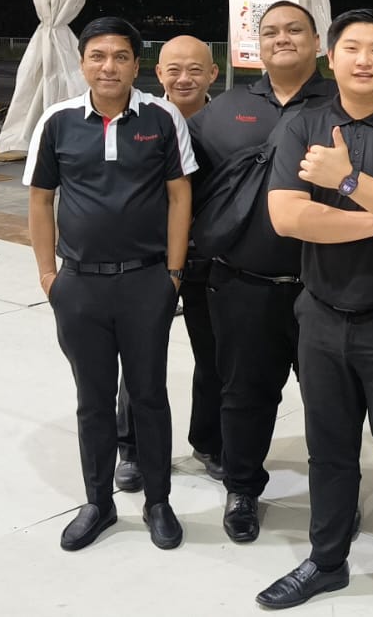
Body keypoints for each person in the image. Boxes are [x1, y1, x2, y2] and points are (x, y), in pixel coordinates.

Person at [257, 8, 373, 617]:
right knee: (329, 449)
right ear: (331, 56)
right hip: (319, 315)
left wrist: (346, 181)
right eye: (352, 48)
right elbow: (287, 216)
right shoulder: (303, 124)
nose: (363, 60)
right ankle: (326, 560)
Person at [24, 16, 197, 552]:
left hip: (146, 282)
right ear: (82, 63)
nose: (109, 67)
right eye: (97, 56)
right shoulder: (57, 121)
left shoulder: (162, 118)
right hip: (79, 286)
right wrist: (49, 275)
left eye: (121, 56)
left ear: (136, 65)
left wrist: (173, 274)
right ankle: (98, 502)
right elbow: (40, 200)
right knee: (93, 400)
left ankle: (158, 502)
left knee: (149, 396)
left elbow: (180, 196)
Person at [191, 1, 336, 543]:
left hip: (326, 289)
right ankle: (242, 488)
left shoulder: (346, 104)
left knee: (331, 404)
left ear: (317, 42)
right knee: (243, 396)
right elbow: (181, 187)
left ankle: (335, 497)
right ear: (256, 45)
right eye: (270, 31)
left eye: (295, 29)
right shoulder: (223, 111)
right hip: (243, 286)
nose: (282, 38)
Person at [111, 35, 225, 494]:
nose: (184, 78)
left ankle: (210, 442)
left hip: (212, 259)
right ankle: (132, 449)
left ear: (213, 73)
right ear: (157, 73)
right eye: (173, 69)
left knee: (216, 356)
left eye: (195, 69)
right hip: (151, 260)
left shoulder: (229, 123)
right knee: (140, 358)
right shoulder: (138, 120)